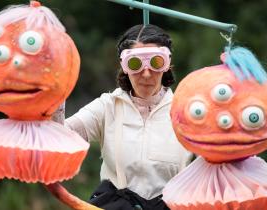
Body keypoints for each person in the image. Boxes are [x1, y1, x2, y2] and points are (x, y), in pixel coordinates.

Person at [62, 24, 192, 210]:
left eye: (155, 62)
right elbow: (60, 135)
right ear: (124, 66)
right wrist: (53, 93)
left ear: (167, 64)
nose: (146, 73)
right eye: (135, 64)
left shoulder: (186, 110)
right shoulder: (108, 106)